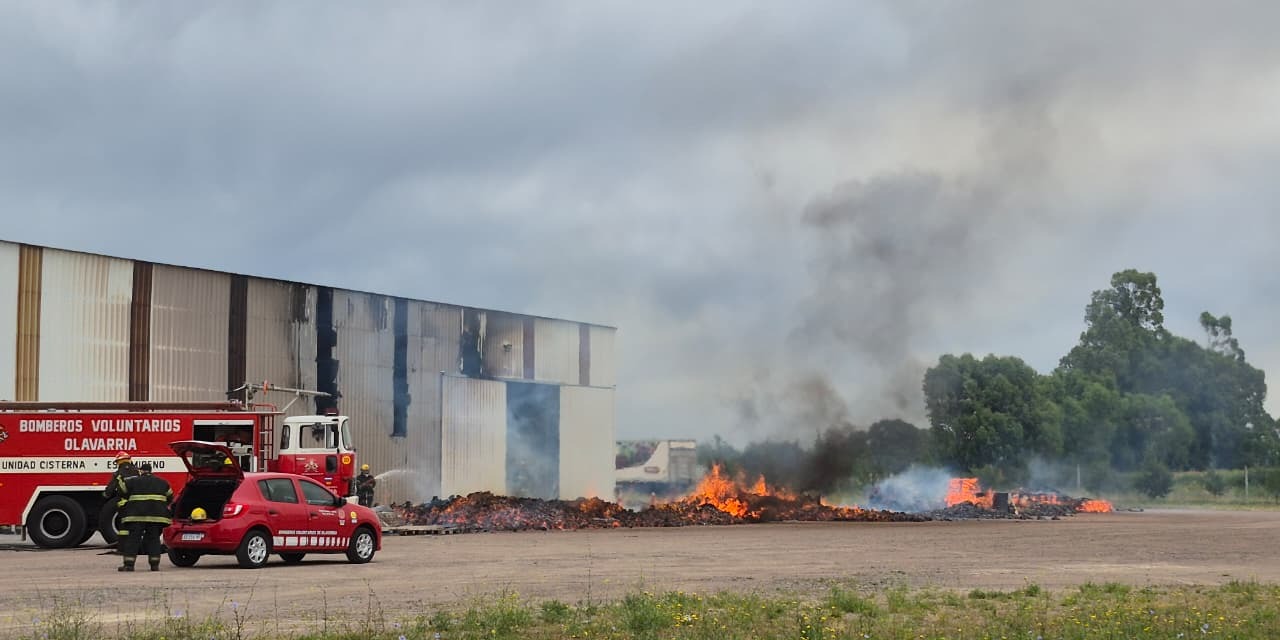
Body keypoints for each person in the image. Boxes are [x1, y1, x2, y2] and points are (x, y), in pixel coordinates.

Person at [118, 462, 173, 572]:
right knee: (154, 539)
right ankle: (154, 565)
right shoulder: (162, 482)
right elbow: (170, 496)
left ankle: (129, 565)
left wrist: (119, 478)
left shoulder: (133, 481)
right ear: (151, 471)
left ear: (141, 471)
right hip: (156, 517)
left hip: (136, 516)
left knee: (133, 539)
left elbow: (122, 490)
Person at [102, 451, 139, 547]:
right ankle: (137, 543)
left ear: (118, 462)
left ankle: (123, 545)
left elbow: (110, 489)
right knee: (137, 524)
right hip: (138, 502)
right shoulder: (138, 471)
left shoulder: (118, 473)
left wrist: (105, 495)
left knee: (124, 526)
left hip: (125, 503)